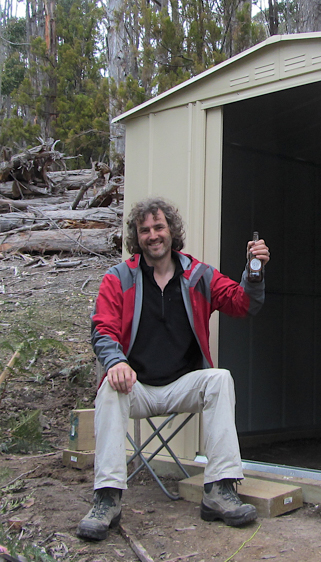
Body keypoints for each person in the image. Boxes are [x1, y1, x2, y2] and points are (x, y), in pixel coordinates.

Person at [77, 197, 270, 541]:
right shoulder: (118, 278)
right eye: (145, 230)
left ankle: (220, 490)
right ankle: (107, 498)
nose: (153, 235)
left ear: (171, 232)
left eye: (159, 227)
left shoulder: (198, 275)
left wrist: (253, 271)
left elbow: (243, 304)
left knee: (220, 379)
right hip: (135, 388)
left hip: (182, 385)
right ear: (137, 237)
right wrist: (116, 362)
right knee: (108, 386)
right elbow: (102, 330)